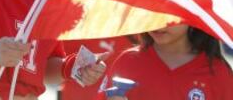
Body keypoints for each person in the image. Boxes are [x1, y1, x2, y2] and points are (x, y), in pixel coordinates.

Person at [96, 24, 233, 100]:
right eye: (152, 11)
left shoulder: (218, 72)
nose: (159, 22)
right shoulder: (127, 62)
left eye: (168, 12)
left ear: (191, 15)